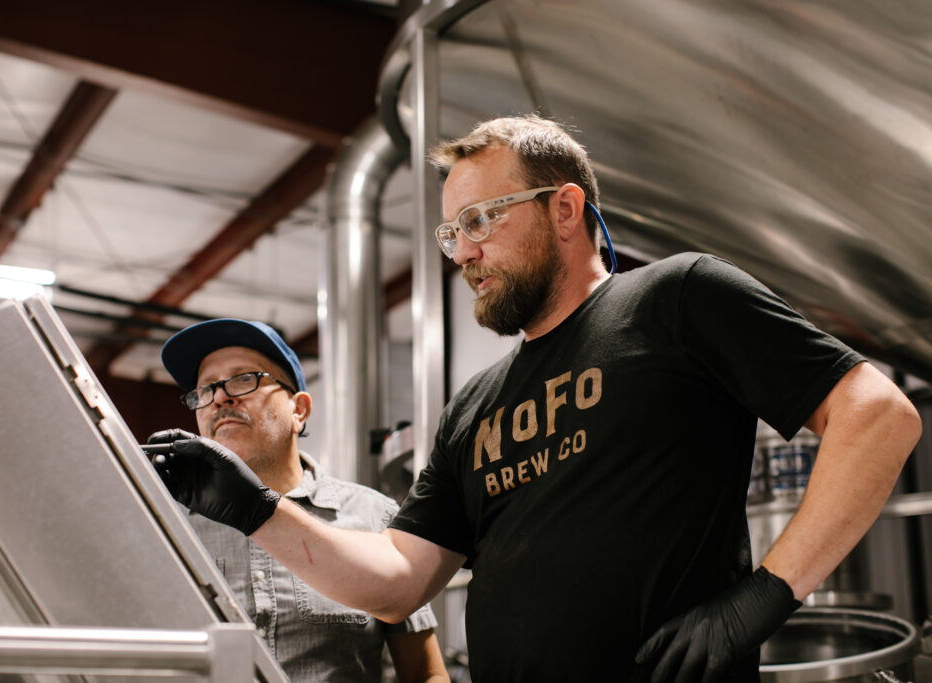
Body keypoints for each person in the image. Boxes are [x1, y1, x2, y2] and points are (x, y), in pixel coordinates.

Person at [148, 116, 922, 683]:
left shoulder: (677, 298)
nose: (465, 251)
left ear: (565, 209)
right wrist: (256, 510)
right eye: (452, 232)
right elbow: (397, 582)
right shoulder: (473, 405)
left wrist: (764, 595)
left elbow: (877, 415)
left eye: (482, 219)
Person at [146, 319, 449, 683]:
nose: (221, 397)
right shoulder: (162, 524)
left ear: (299, 410)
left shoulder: (373, 516)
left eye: (244, 378)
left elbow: (425, 673)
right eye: (205, 389)